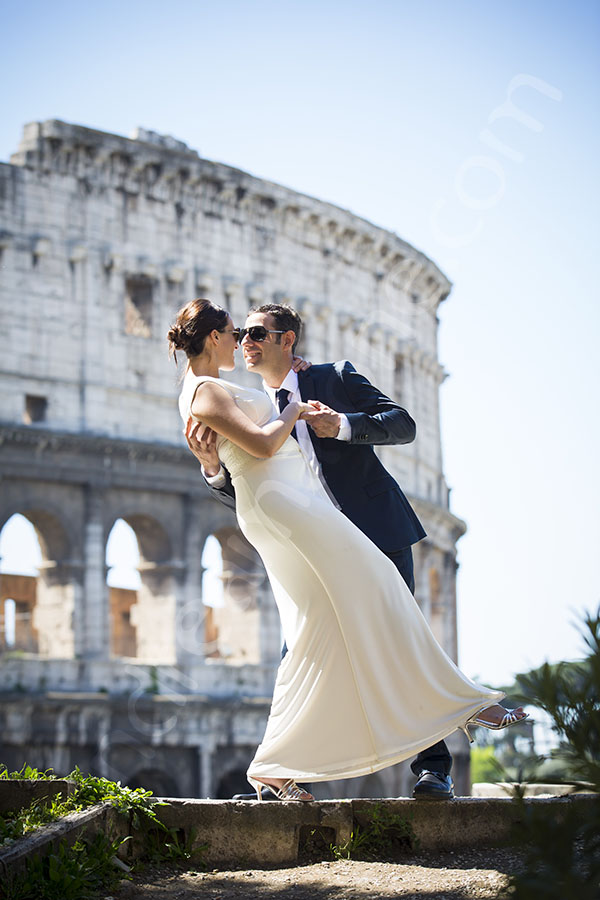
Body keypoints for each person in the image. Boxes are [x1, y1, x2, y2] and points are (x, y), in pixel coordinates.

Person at [169, 298, 527, 803]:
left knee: (390, 617)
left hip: (371, 524)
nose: (245, 342)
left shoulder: (332, 378)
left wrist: (343, 425)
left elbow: (402, 424)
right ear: (215, 338)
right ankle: (456, 709)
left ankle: (432, 766)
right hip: (301, 525)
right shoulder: (239, 395)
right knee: (310, 642)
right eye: (238, 333)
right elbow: (247, 468)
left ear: (286, 341)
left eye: (255, 334)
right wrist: (211, 469)